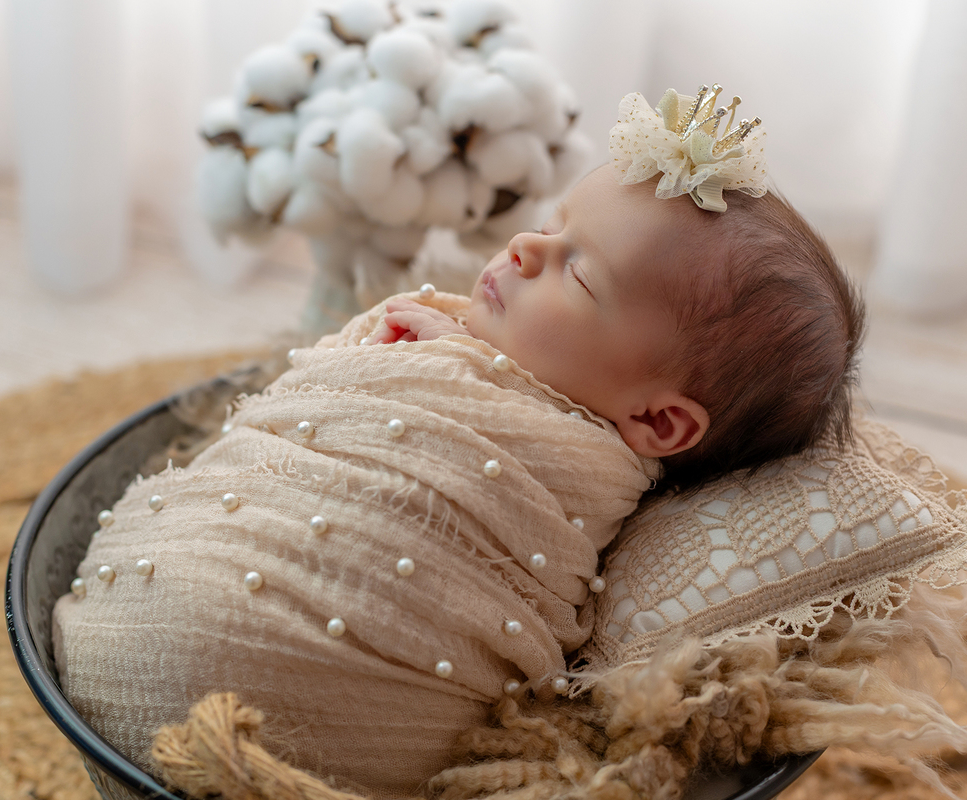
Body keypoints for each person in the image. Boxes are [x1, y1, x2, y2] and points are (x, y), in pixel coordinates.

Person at [52, 86, 863, 798]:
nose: (526, 250)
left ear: (657, 423)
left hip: (318, 729)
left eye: (578, 275)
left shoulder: (577, 471)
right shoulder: (440, 337)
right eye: (553, 226)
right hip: (188, 590)